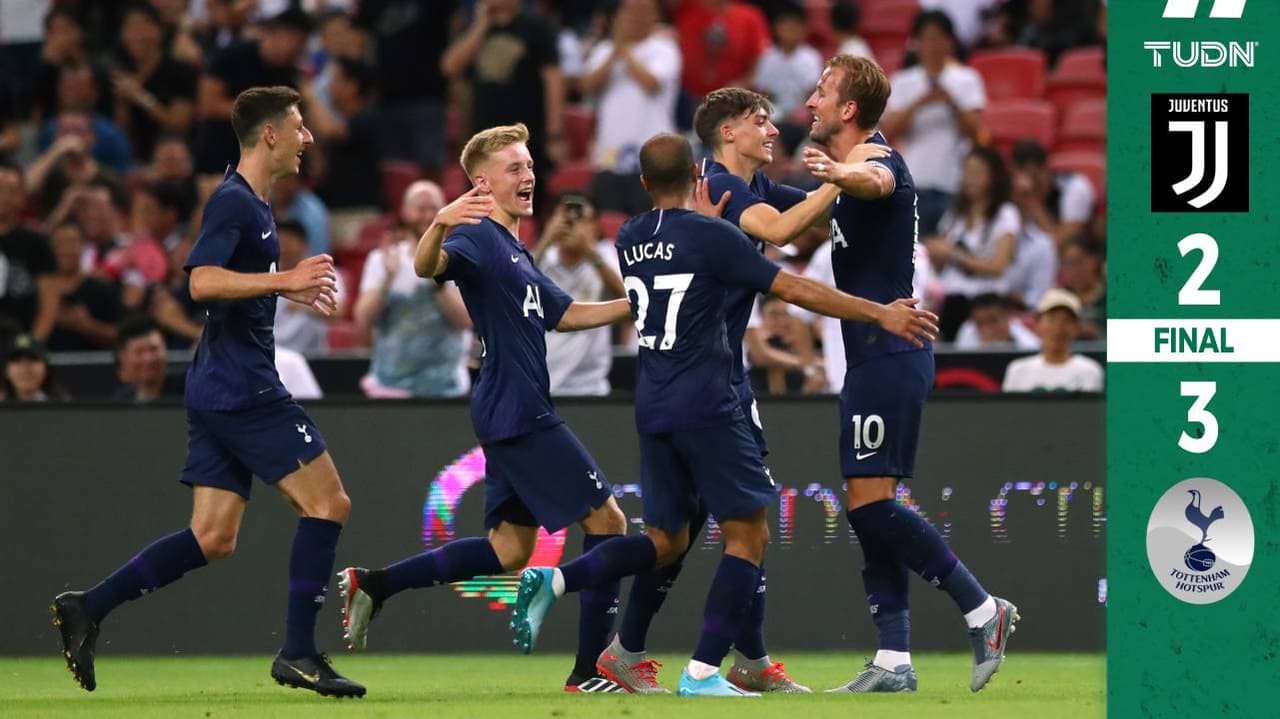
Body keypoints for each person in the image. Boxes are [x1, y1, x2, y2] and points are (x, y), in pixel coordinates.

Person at [510, 132, 936, 697]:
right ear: (697, 174)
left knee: (665, 539)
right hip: (709, 404)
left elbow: (685, 269)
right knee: (750, 534)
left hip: (653, 404)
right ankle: (705, 672)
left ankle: (558, 578)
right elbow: (796, 288)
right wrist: (877, 313)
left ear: (643, 184)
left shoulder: (629, 236)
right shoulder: (713, 235)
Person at [51, 86, 364, 698]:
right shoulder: (233, 203)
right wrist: (284, 278)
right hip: (242, 386)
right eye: (299, 127)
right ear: (269, 134)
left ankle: (89, 606)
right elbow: (199, 282)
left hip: (216, 383)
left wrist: (285, 290)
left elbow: (234, 286)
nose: (308, 138)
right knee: (329, 504)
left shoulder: (256, 204)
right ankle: (298, 653)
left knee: (213, 538)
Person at [590, 86, 879, 695]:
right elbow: (780, 234)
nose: (772, 130)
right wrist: (845, 175)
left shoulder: (742, 191)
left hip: (686, 384)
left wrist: (860, 187)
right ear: (726, 134)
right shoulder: (722, 191)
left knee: (696, 529)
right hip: (710, 385)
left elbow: (801, 224)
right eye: (760, 121)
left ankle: (732, 657)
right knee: (742, 527)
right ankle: (702, 665)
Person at [337, 124, 635, 694]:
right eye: (514, 169)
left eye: (529, 166)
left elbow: (565, 313)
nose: (528, 177)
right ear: (482, 183)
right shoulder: (475, 235)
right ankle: (591, 670)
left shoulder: (516, 248)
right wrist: (441, 219)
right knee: (609, 522)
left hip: (508, 408)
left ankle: (375, 584)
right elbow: (428, 267)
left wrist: (636, 303)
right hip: (519, 409)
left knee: (509, 550)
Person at [803, 54, 1018, 692]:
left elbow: (876, 182)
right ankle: (894, 660)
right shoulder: (848, 175)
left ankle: (983, 609)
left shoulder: (877, 159)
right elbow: (807, 211)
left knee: (869, 507)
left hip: (890, 354)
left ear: (848, 109)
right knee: (870, 502)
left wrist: (841, 172)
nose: (810, 101)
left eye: (822, 92)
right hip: (874, 357)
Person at [442, 0, 566, 212]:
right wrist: (481, 25)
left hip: (525, 136)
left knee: (524, 204)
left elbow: (553, 79)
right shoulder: (475, 28)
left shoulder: (537, 26)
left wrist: (554, 133)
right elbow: (450, 67)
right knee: (481, 208)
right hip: (482, 139)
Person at [355, 181, 472, 398]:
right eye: (420, 208)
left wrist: (432, 275)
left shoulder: (462, 258)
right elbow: (363, 319)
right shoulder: (382, 259)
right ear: (405, 211)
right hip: (389, 387)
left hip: (447, 388)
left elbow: (465, 320)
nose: (427, 215)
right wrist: (388, 278)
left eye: (433, 208)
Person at [880, 11, 985, 237]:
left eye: (939, 37)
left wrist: (952, 103)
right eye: (926, 38)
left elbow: (976, 133)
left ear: (950, 42)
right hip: (914, 181)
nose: (933, 45)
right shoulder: (903, 81)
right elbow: (889, 131)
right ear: (915, 43)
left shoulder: (967, 79)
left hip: (953, 183)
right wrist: (920, 102)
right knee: (913, 255)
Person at [580, 0, 682, 216]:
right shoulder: (604, 50)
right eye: (630, 10)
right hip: (609, 158)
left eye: (643, 11)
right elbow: (586, 86)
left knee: (651, 225)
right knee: (608, 224)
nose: (635, 16)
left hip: (652, 160)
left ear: (655, 16)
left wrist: (623, 47)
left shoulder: (664, 49)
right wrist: (615, 49)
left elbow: (651, 83)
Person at [925, 146, 1021, 340]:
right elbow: (941, 257)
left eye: (977, 173)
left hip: (985, 301)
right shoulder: (956, 215)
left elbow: (998, 265)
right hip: (951, 300)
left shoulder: (1005, 214)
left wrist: (954, 254)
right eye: (967, 172)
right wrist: (934, 251)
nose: (970, 179)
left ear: (994, 176)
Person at [534, 193, 625, 396]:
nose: (572, 226)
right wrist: (546, 239)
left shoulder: (605, 257)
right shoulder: (540, 260)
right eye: (566, 220)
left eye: (581, 220)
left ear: (595, 225)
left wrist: (590, 253)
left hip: (591, 385)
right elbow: (515, 287)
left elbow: (629, 300)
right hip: (546, 383)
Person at [32, 221, 122, 351]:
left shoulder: (101, 288)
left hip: (94, 367)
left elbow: (121, 337)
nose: (65, 250)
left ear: (83, 245)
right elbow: (28, 343)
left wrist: (88, 327)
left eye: (72, 242)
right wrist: (48, 314)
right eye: (59, 243)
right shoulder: (36, 289)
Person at [1002, 288, 1103, 392]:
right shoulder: (1017, 370)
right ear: (1037, 325)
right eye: (1052, 319)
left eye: (1067, 320)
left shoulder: (1090, 371)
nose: (1058, 327)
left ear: (1077, 328)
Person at [0, 162, 55, 333]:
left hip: (18, 345)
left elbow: (49, 306)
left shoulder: (37, 243)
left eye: (10, 190)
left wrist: (31, 348)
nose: (2, 196)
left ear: (22, 198)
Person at [112, 315, 182, 402]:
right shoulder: (121, 402)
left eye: (154, 349)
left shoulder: (190, 392)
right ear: (123, 358)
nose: (149, 358)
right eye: (139, 352)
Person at [954, 292, 1040, 350]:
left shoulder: (1028, 344)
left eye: (992, 321)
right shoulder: (968, 328)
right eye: (980, 322)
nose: (986, 328)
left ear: (1008, 317)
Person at [1058, 236, 1104, 340]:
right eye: (1066, 264)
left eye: (1077, 262)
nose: (1072, 271)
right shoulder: (1059, 299)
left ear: (1094, 261)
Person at [2, 334, 64, 402]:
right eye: (17, 361)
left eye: (33, 359)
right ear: (5, 370)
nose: (25, 369)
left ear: (47, 368)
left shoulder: (65, 407)